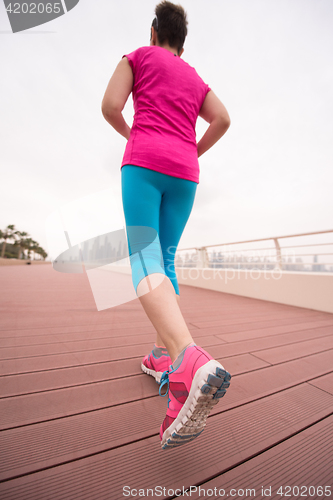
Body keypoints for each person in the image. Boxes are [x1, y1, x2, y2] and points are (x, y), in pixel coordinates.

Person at [102, 1, 231, 450]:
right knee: (166, 260)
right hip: (186, 173)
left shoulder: (136, 56)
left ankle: (186, 360)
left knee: (144, 255)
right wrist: (192, 149)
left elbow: (110, 106)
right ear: (183, 41)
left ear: (154, 30)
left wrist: (132, 134)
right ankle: (160, 356)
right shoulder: (195, 77)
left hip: (145, 161)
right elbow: (223, 118)